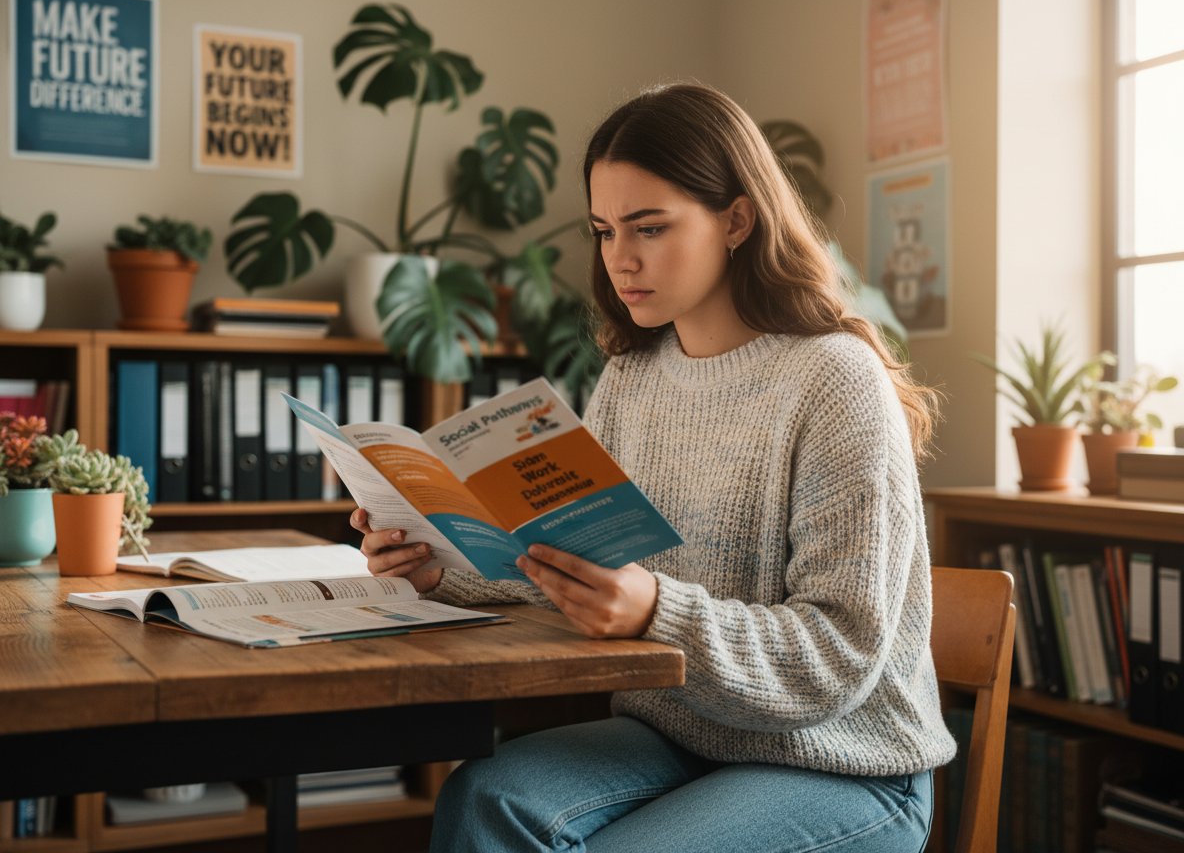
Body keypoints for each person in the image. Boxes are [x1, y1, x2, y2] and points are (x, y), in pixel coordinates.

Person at [350, 83, 955, 852]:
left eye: (650, 227)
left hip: (845, 765)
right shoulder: (633, 377)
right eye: (604, 231)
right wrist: (436, 564)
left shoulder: (834, 381)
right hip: (683, 735)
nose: (621, 259)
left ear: (737, 219)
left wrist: (652, 613)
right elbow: (574, 565)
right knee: (483, 799)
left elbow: (837, 655)